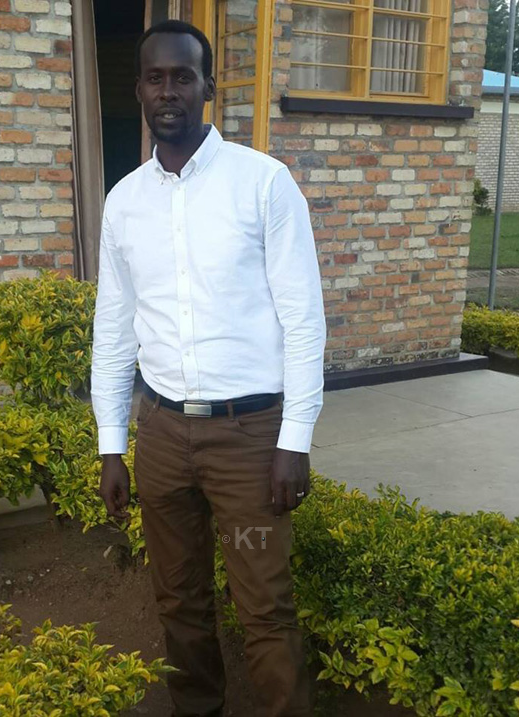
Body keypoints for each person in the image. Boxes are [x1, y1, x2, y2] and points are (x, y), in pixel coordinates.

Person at [91, 19, 326, 717]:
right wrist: (111, 445)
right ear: (139, 90)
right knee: (178, 597)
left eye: (183, 77)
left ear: (208, 88)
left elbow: (303, 321)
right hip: (162, 435)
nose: (168, 91)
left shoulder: (263, 184)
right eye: (155, 78)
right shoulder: (124, 201)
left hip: (248, 437)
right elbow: (114, 329)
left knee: (264, 606)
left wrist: (294, 440)